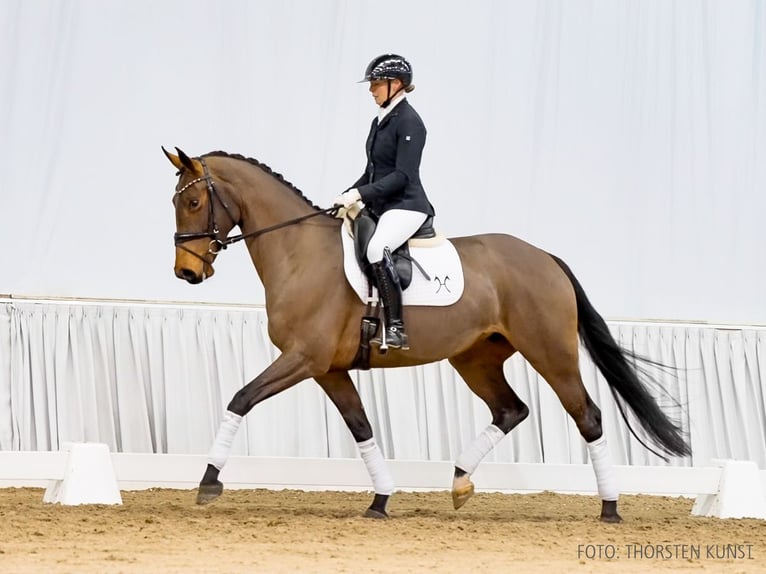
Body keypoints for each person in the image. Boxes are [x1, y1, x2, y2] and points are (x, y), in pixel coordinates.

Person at [334, 54, 435, 351]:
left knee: (378, 248)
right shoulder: (380, 121)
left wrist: (361, 195)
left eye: (377, 84)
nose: (371, 90)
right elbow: (371, 172)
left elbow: (403, 176)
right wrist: (347, 194)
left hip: (406, 204)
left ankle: (396, 328)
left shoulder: (410, 123)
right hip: (382, 203)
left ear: (397, 84)